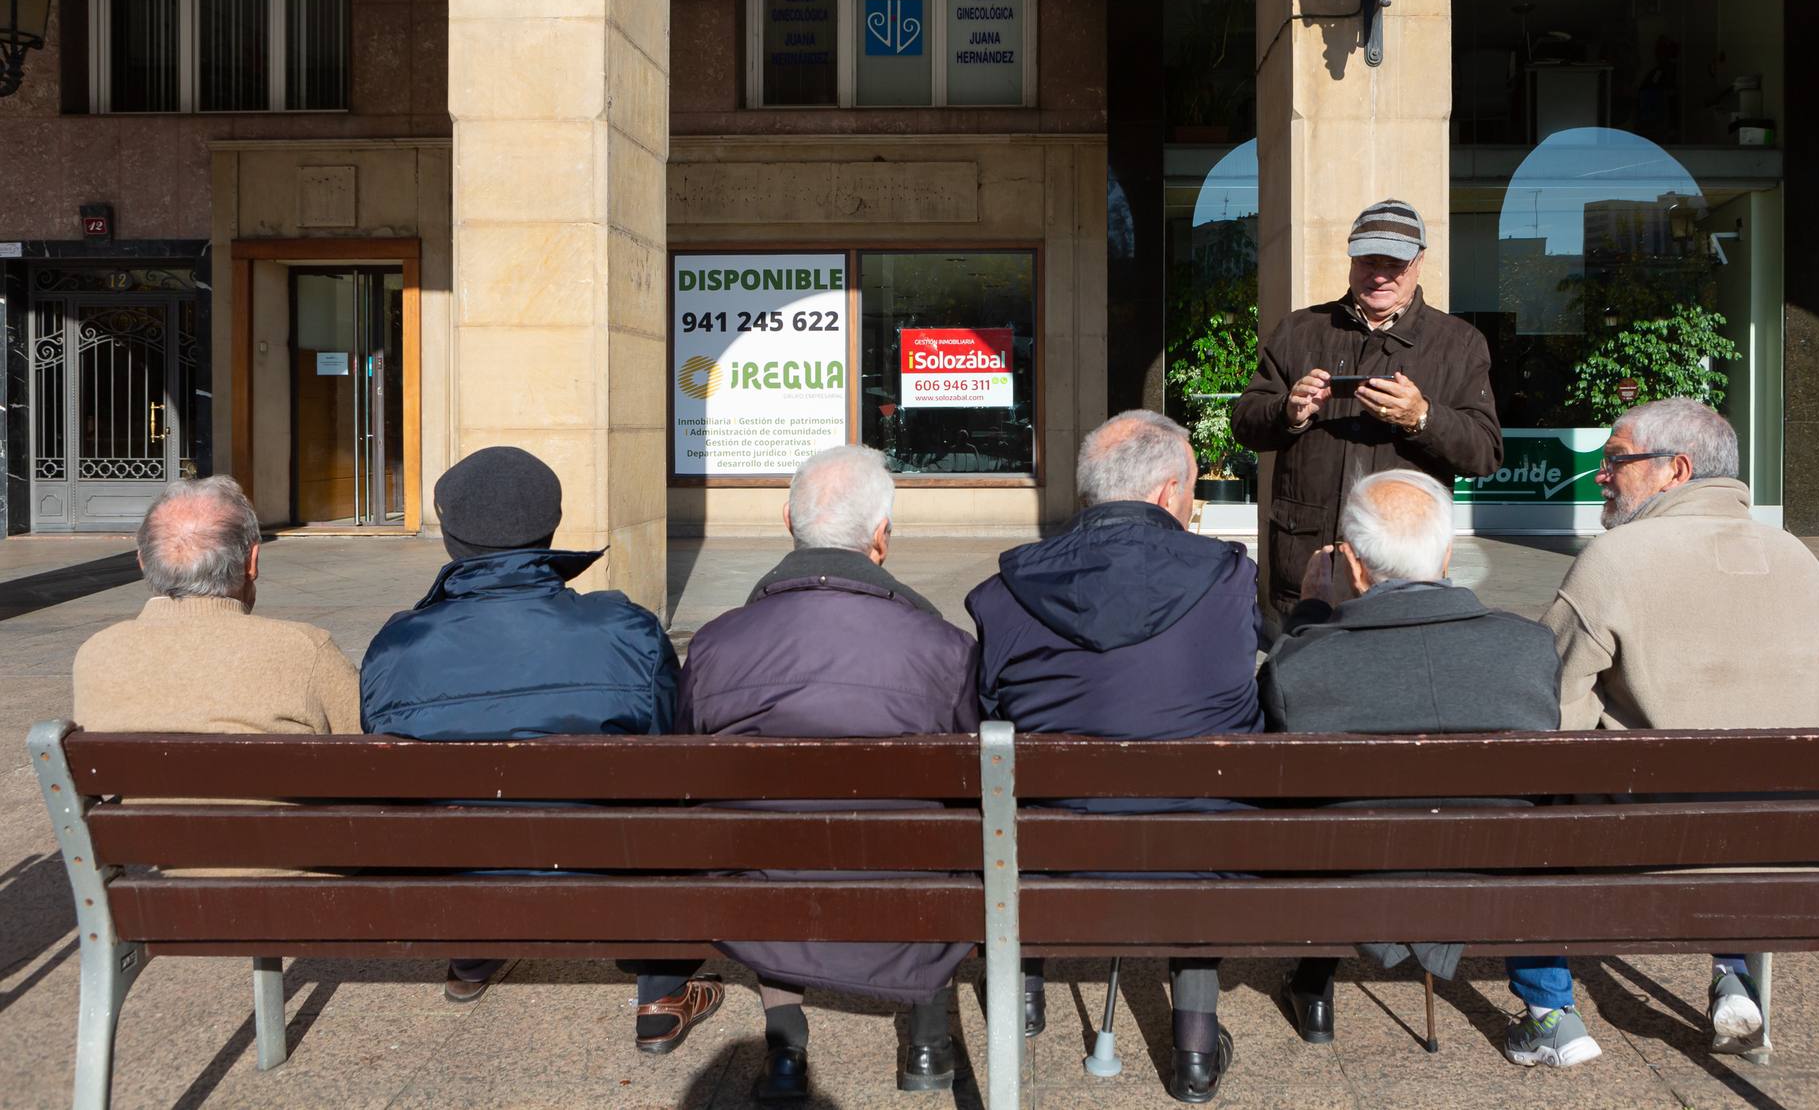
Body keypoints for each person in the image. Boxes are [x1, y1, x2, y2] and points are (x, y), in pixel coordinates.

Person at [358, 446, 722, 1054]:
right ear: (549, 529)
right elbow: (670, 756)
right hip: (608, 874)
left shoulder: (397, 647)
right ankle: (660, 989)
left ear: (451, 539)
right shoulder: (624, 631)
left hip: (457, 883)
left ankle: (473, 956)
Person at [1531, 399, 1819, 1067]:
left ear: (1674, 470)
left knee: (1527, 801)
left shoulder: (1614, 561)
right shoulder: (1799, 562)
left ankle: (1549, 1011)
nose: (1601, 475)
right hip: (1792, 848)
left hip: (1643, 845)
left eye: (1615, 459)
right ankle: (1733, 972)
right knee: (1735, 794)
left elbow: (1546, 713)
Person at [967, 410, 1263, 1104]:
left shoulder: (1006, 590)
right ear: (1167, 494)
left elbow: (983, 711)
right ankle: (1193, 1045)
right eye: (1192, 487)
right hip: (1200, 848)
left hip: (1048, 849)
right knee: (1202, 800)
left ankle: (1025, 992)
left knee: (1017, 783)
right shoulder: (1228, 579)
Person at [681, 446, 977, 1100]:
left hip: (763, 903)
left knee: (758, 835)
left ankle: (785, 1049)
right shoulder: (945, 650)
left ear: (788, 518)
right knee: (949, 835)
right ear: (881, 536)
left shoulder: (715, 645)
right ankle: (927, 1043)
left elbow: (690, 777)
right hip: (910, 896)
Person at [1257, 471, 1564, 1051]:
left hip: (1354, 874)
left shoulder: (1302, 664)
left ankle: (1313, 980)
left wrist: (1309, 614)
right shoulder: (1528, 649)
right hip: (1492, 874)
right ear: (1448, 554)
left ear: (1352, 565)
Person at [1231, 198, 1502, 617]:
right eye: (1367, 261)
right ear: (1350, 258)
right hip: (1307, 565)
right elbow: (1245, 424)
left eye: (1394, 265)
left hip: (1402, 574)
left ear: (1419, 263)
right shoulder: (1298, 330)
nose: (1378, 276)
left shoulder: (1459, 343)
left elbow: (1485, 453)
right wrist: (1288, 410)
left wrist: (1422, 418)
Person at [74, 474, 359, 744]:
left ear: (142, 562)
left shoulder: (96, 653)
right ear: (252, 561)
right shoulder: (306, 650)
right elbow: (368, 748)